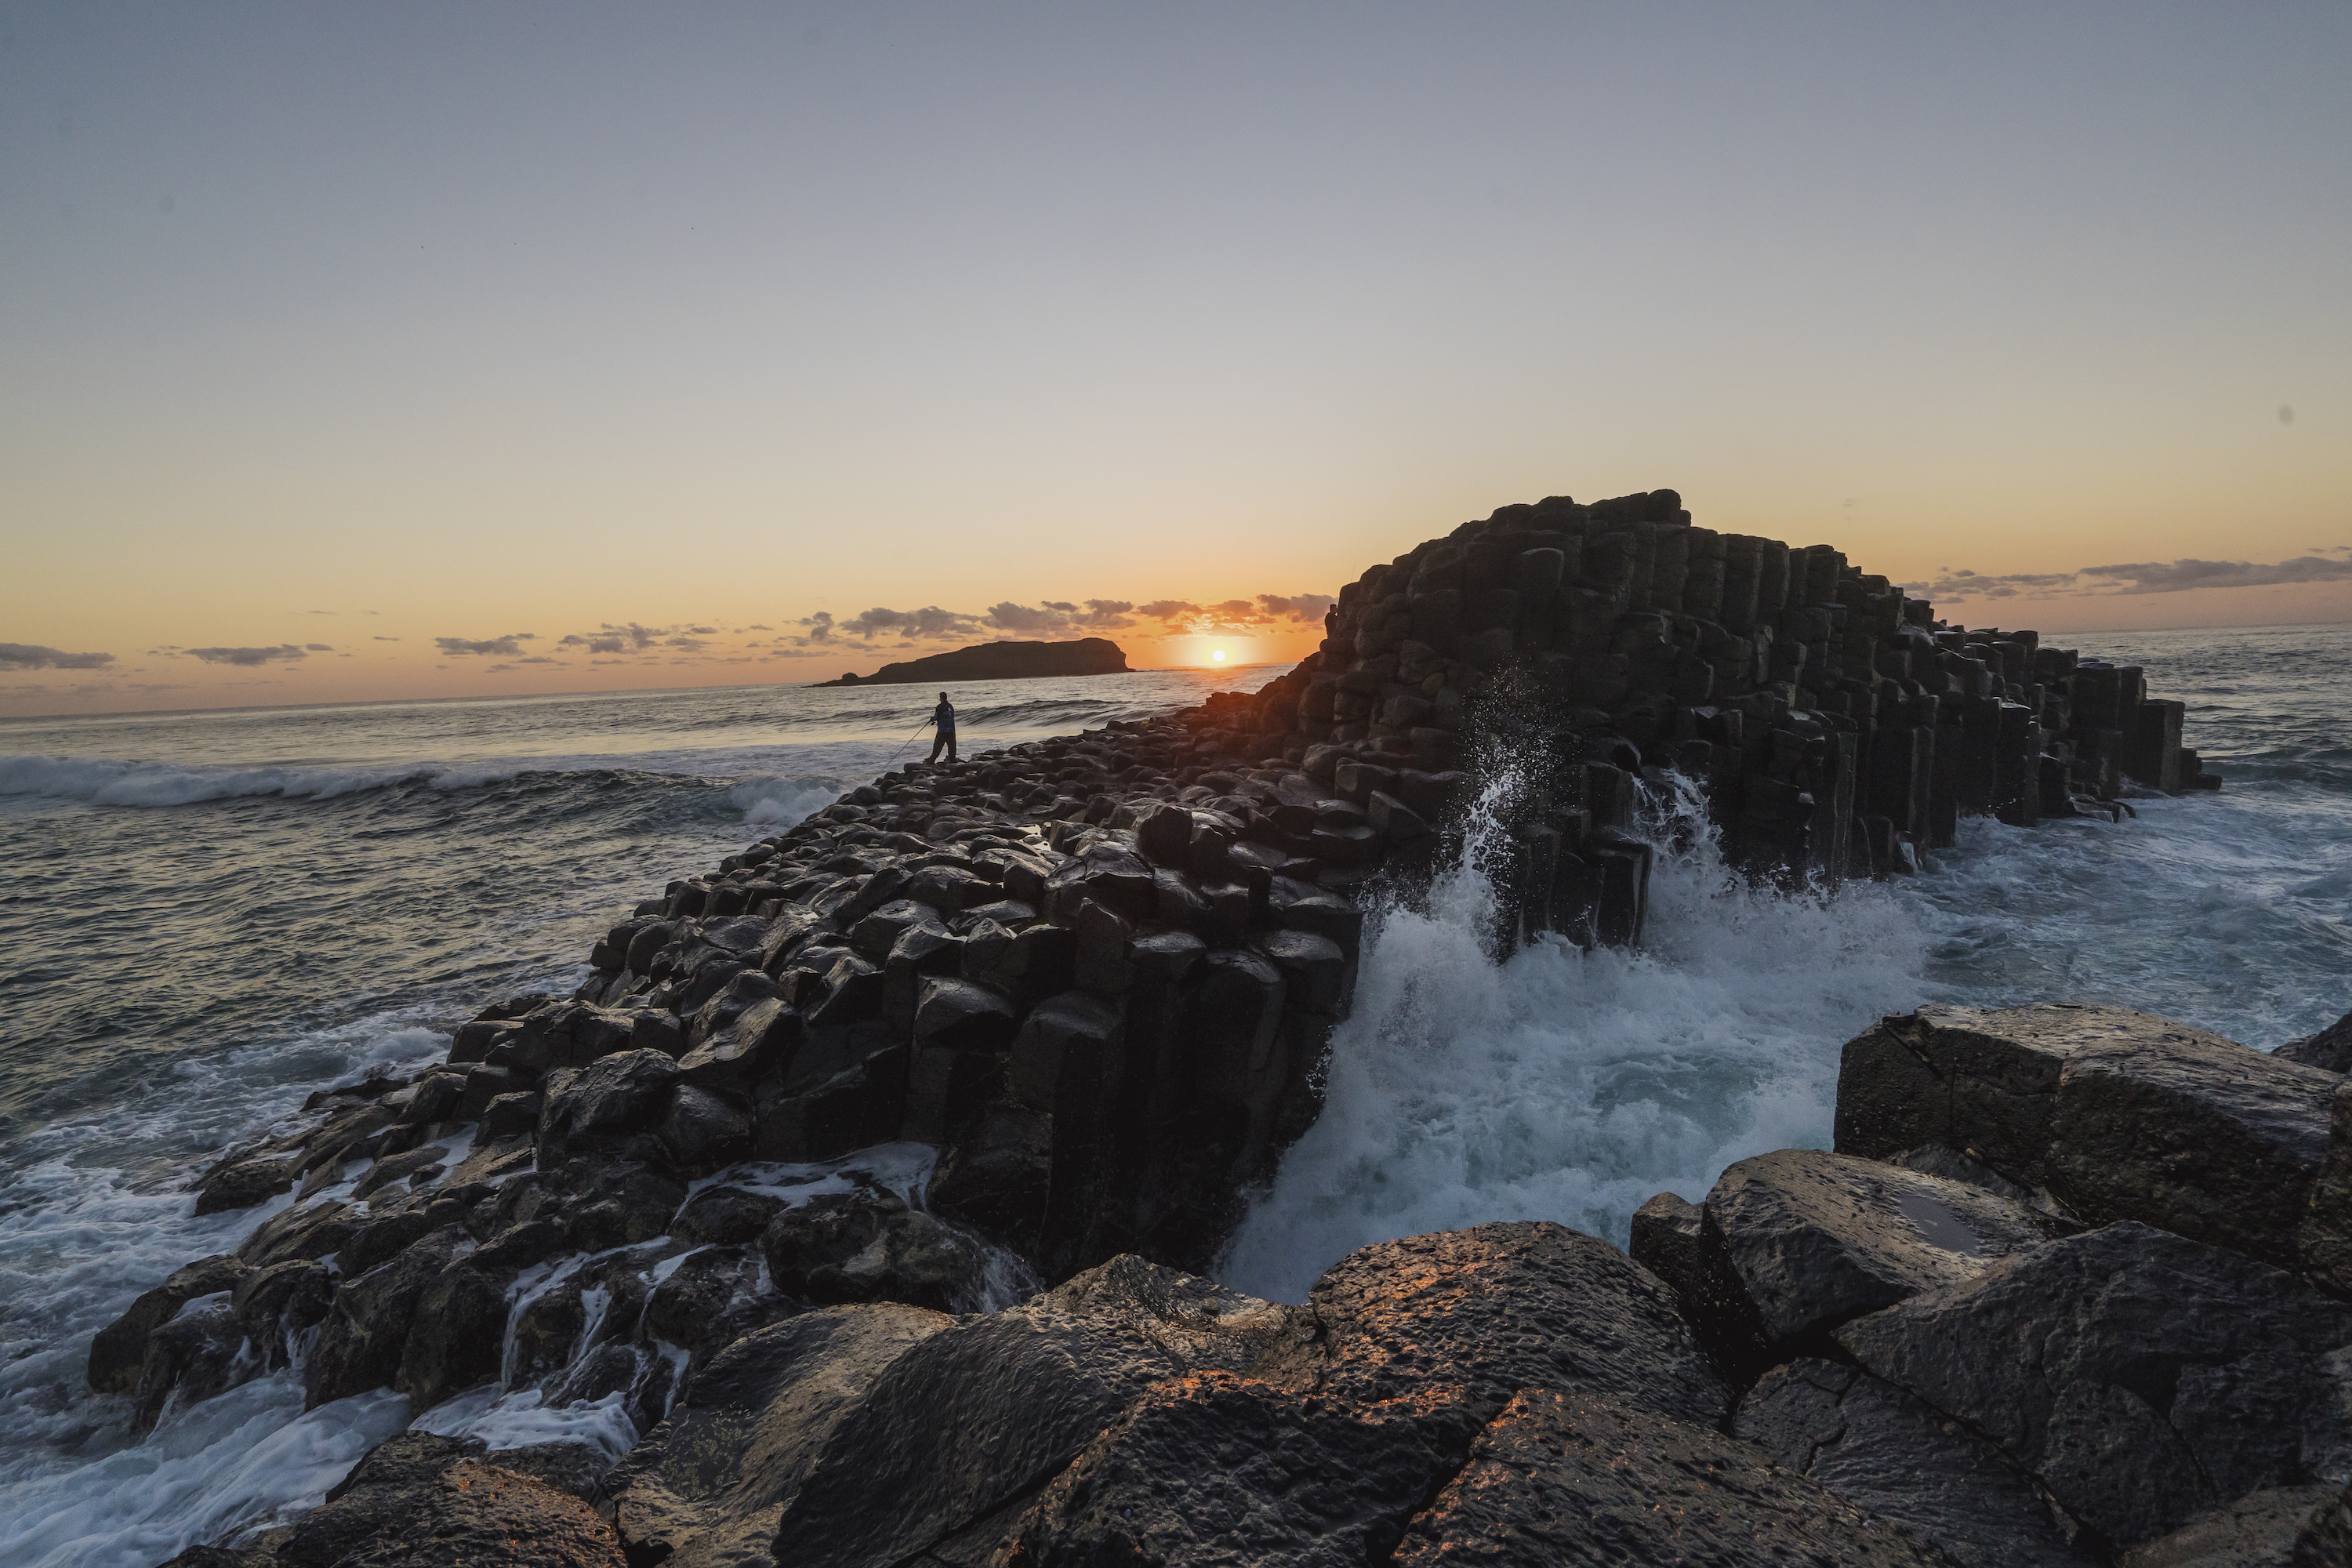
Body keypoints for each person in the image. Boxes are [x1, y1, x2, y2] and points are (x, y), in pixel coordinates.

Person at [925, 691, 957, 764]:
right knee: (952, 746)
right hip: (951, 729)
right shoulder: (950, 706)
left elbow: (936, 717)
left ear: (941, 698)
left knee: (937, 746)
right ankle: (953, 760)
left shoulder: (939, 707)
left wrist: (931, 719)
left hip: (942, 730)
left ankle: (932, 760)